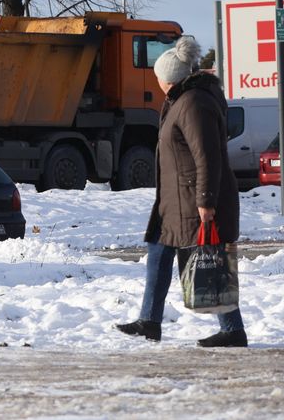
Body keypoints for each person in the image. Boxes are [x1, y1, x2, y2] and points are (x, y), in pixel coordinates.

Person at [115, 36, 248, 348]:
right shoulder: (182, 99)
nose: (157, 80)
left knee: (211, 261)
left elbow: (207, 156)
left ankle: (233, 330)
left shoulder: (193, 103)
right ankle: (149, 321)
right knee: (158, 255)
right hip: (175, 201)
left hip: (193, 200)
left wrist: (206, 201)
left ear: (170, 78)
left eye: (159, 76)